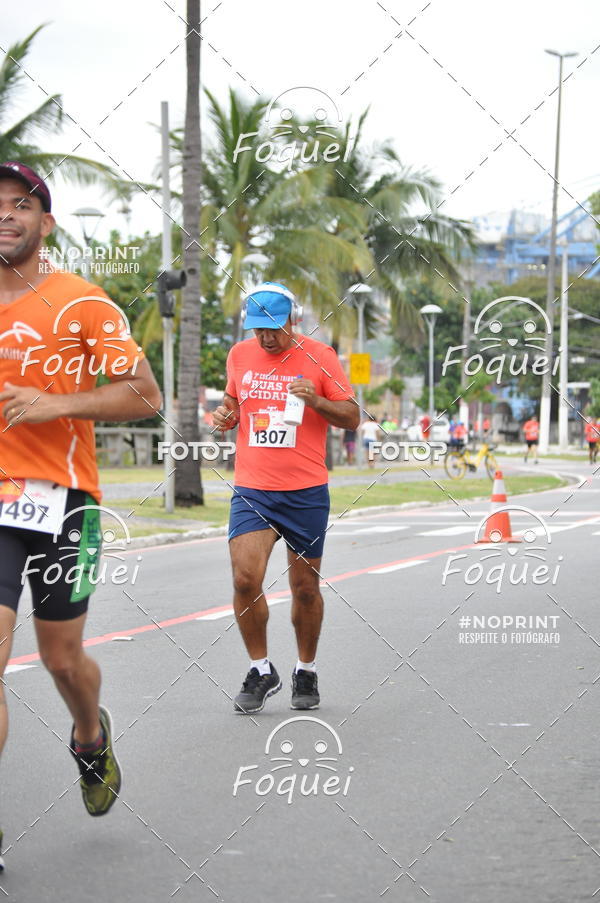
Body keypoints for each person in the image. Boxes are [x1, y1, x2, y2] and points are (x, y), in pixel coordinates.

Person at [0, 162, 162, 854]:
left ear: (46, 222)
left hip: (70, 504)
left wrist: (56, 404)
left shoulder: (83, 302)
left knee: (62, 661)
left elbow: (145, 395)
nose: (5, 215)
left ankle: (90, 736)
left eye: (19, 205)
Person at [213, 282, 358, 714]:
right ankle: (260, 670)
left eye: (274, 328)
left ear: (293, 320)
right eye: (258, 329)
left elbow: (352, 416)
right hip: (254, 488)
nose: (266, 338)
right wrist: (225, 414)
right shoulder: (240, 354)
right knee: (244, 579)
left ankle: (306, 670)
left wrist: (315, 400)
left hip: (305, 491)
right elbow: (232, 399)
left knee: (305, 589)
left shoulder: (321, 357)